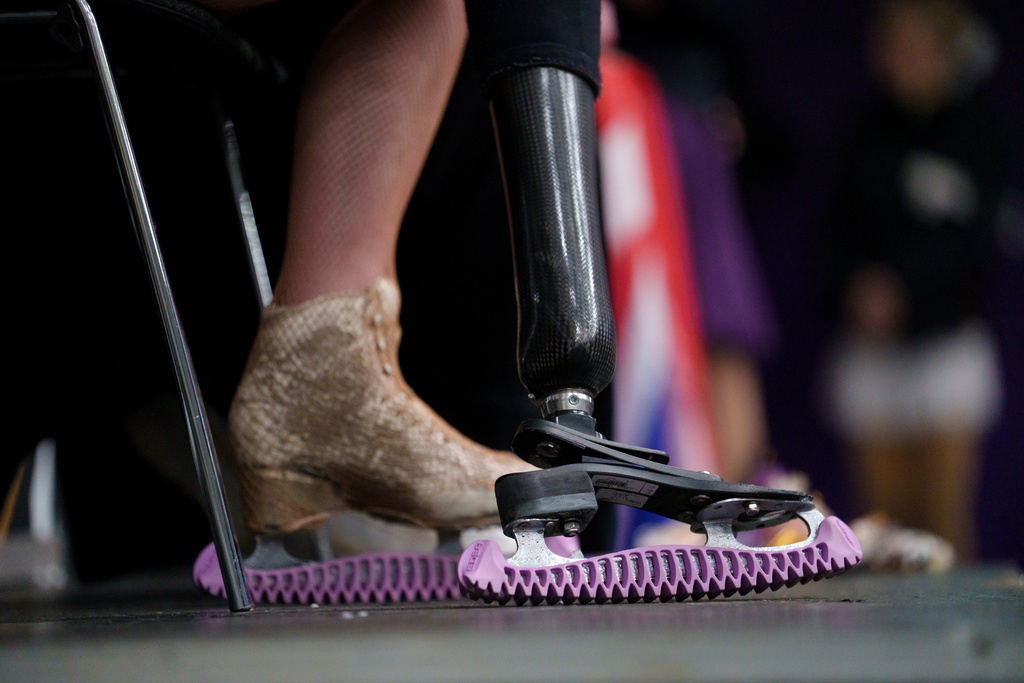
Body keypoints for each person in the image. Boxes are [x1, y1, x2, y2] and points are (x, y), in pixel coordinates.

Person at [824, 0, 1006, 560]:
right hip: (873, 354)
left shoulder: (977, 133)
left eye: (915, 45)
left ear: (944, 51)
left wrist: (906, 285)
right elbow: (834, 235)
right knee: (884, 532)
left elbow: (979, 240)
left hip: (946, 347)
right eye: (891, 44)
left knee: (944, 526)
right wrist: (859, 289)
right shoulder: (864, 133)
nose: (901, 58)